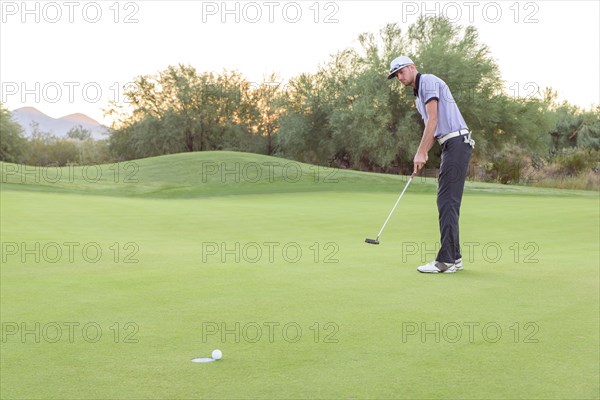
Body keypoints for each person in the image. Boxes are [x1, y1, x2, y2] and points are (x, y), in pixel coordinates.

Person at [388, 56, 475, 273]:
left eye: (401, 71)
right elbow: (431, 127)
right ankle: (454, 258)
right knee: (447, 202)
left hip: (457, 142)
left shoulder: (427, 81)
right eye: (396, 75)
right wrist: (424, 153)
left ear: (412, 67)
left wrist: (420, 152)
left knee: (447, 201)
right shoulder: (418, 97)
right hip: (450, 145)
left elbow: (434, 120)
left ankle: (445, 260)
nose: (399, 77)